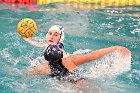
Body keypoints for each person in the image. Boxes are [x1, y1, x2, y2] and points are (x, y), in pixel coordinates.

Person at [24, 25, 131, 84]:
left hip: (62, 81)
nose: (51, 37)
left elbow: (25, 75)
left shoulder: (43, 68)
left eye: (55, 35)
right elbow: (93, 55)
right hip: (75, 79)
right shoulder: (70, 60)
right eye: (50, 34)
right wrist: (116, 48)